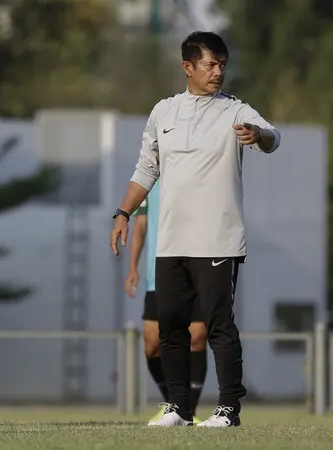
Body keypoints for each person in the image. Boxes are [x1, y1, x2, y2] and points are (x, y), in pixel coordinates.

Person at [110, 31, 281, 428]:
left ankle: (228, 409)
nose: (218, 71)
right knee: (170, 324)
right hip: (171, 240)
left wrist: (259, 136)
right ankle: (178, 407)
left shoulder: (235, 111)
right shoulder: (163, 112)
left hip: (218, 238)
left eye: (222, 64)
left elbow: (274, 138)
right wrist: (122, 212)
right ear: (187, 67)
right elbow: (146, 169)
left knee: (219, 326)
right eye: (210, 64)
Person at [124, 180, 207, 424]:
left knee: (198, 337)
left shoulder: (196, 167)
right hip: (158, 275)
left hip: (196, 270)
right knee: (151, 344)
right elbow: (140, 225)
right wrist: (133, 268)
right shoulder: (149, 176)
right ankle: (174, 404)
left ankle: (187, 411)